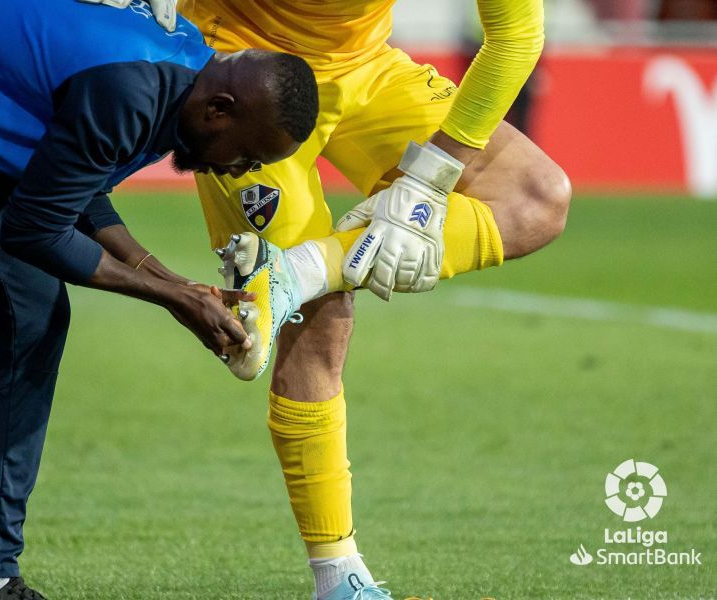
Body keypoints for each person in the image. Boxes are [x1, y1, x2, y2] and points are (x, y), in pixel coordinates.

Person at [0, 0, 318, 598]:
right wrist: (170, 298)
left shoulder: (182, 89)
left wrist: (178, 285)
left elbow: (72, 190)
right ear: (220, 110)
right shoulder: (133, 86)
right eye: (249, 153)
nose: (239, 169)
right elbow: (37, 228)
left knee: (35, 318)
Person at [177, 0, 572, 598]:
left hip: (366, 65)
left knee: (537, 196)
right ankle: (338, 580)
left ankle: (302, 270)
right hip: (245, 70)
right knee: (321, 321)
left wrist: (426, 180)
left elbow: (515, 35)